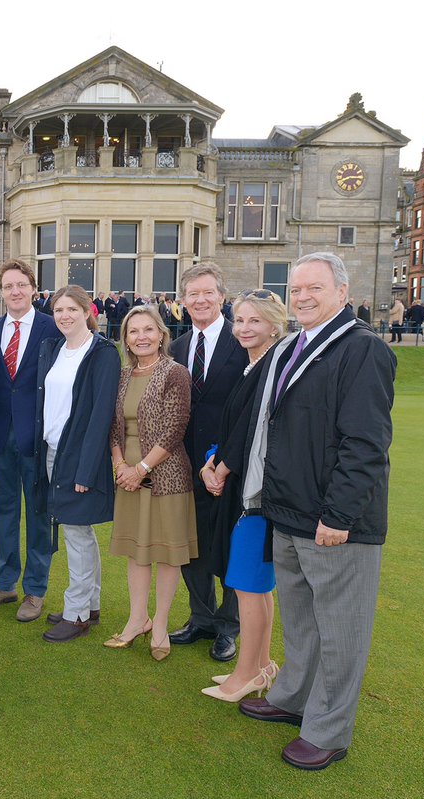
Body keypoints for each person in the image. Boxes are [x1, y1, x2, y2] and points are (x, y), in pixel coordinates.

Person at [237, 252, 395, 771]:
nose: (303, 296)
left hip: (334, 522)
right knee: (302, 621)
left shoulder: (362, 350)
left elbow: (365, 444)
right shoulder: (291, 348)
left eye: (316, 288)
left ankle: (328, 730)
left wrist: (340, 515)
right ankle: (291, 698)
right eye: (297, 288)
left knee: (340, 629)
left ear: (342, 294)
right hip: (288, 513)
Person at [196, 290, 287, 702]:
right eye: (240, 320)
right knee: (255, 586)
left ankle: (247, 672)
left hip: (254, 495)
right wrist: (213, 459)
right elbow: (233, 428)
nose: (245, 328)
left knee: (250, 585)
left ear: (274, 325)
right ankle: (263, 665)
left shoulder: (272, 367)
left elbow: (256, 432)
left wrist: (223, 466)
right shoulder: (253, 368)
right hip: (241, 486)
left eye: (254, 321)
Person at [105, 306, 196, 660]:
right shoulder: (123, 375)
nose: (141, 337)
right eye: (133, 331)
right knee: (137, 551)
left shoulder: (175, 373)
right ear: (125, 338)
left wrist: (140, 468)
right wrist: (119, 466)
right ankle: (136, 619)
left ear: (161, 334)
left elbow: (176, 427)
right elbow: (113, 426)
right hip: (126, 475)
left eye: (148, 330)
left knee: (167, 553)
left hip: (166, 475)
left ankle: (160, 623)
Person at [167, 263, 248, 662]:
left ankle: (227, 625)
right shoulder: (177, 348)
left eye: (207, 293)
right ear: (183, 302)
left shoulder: (243, 342)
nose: (200, 300)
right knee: (191, 546)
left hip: (230, 468)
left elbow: (250, 411)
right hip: (185, 466)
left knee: (231, 546)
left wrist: (224, 462)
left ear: (221, 296)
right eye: (192, 294)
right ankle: (200, 617)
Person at [0, 260, 62, 621]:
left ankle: (36, 589)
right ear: (1, 291)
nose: (15, 291)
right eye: (8, 286)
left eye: (21, 285)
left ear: (33, 289)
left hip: (38, 436)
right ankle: (5, 582)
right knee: (3, 511)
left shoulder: (52, 327)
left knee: (39, 513)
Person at [35, 286, 120, 642]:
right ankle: (91, 604)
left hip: (79, 455)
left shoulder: (103, 353)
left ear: (89, 311)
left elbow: (101, 415)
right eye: (58, 310)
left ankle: (77, 614)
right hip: (52, 450)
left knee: (75, 531)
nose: (65, 316)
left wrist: (86, 470)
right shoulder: (53, 349)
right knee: (78, 530)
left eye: (72, 309)